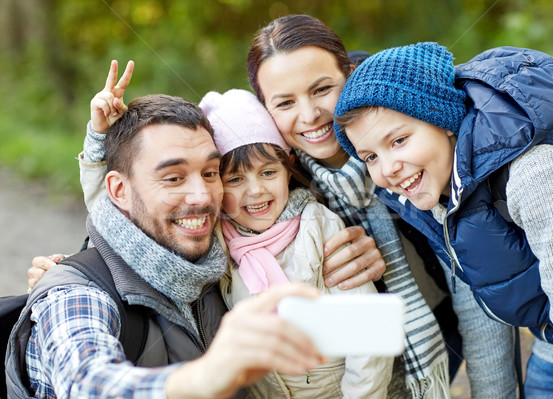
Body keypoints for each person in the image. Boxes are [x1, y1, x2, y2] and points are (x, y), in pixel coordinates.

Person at [246, 14, 518, 398]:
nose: (309, 116)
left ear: (351, 74)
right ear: (265, 112)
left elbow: (474, 292)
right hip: (360, 364)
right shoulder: (269, 178)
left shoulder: (410, 141)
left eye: (322, 89)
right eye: (285, 102)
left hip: (439, 328)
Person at [8, 92, 327, 398]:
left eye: (210, 172)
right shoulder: (76, 295)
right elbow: (86, 382)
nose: (203, 196)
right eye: (174, 178)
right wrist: (205, 376)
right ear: (119, 191)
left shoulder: (226, 259)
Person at [333, 42, 553, 398]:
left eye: (399, 140)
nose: (388, 169)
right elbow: (483, 310)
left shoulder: (537, 175)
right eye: (369, 157)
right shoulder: (436, 197)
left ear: (442, 121)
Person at [199, 88, 394, 398]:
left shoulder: (317, 225)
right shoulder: (219, 238)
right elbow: (136, 220)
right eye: (235, 179)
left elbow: (367, 336)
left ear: (288, 167)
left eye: (267, 172)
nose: (255, 190)